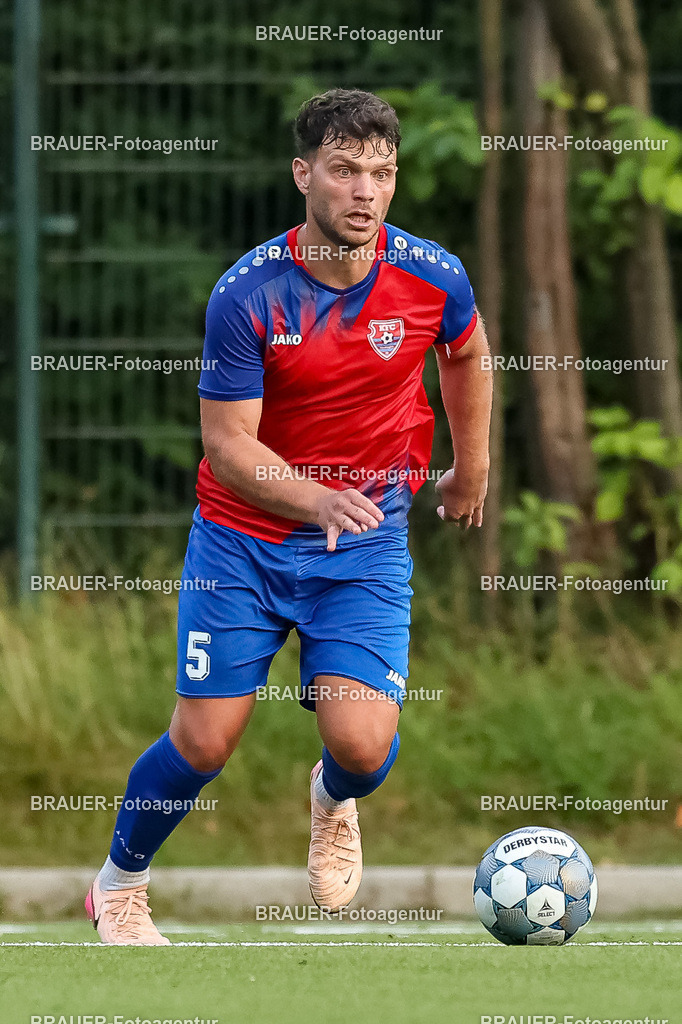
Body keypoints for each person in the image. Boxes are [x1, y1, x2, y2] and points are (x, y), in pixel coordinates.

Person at [86, 88, 492, 944]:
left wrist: (472, 466)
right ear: (303, 174)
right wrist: (313, 496)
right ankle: (120, 884)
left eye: (381, 173)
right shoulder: (250, 294)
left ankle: (333, 802)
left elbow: (466, 349)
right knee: (203, 744)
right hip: (243, 541)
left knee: (360, 743)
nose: (365, 191)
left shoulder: (431, 272)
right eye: (344, 170)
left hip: (366, 541)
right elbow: (229, 443)